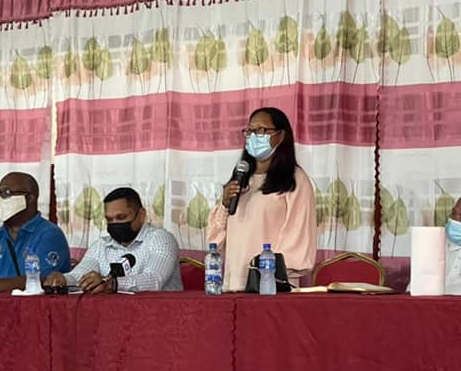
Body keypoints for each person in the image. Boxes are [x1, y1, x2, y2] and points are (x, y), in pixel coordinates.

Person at [207, 107, 318, 292]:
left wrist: (266, 274)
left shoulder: (296, 179)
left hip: (270, 288)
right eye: (249, 131)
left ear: (280, 136)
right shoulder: (241, 178)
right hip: (233, 286)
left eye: (261, 130)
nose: (253, 136)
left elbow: (298, 238)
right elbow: (215, 243)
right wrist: (225, 204)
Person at [46, 187, 182, 293]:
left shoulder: (161, 239)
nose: (115, 223)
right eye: (109, 220)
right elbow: (79, 275)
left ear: (141, 215)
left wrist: (113, 284)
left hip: (161, 317)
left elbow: (154, 280)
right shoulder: (101, 245)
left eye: (121, 217)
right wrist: (62, 280)